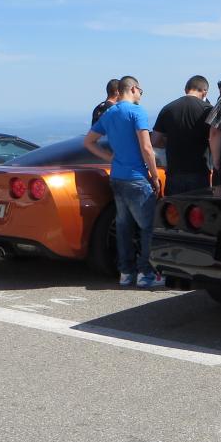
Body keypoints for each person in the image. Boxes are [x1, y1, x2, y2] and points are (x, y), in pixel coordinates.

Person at [84, 76, 164, 288]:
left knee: (123, 226)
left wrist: (109, 158)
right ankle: (146, 274)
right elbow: (147, 148)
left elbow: (88, 142)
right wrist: (155, 175)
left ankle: (126, 273)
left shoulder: (110, 113)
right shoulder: (137, 112)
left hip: (117, 176)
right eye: (141, 91)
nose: (140, 95)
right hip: (136, 177)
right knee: (147, 227)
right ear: (134, 89)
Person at [152, 75, 213, 196]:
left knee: (174, 212)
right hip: (199, 172)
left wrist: (169, 142)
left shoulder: (167, 109)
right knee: (198, 211)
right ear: (205, 91)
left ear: (186, 89)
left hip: (174, 172)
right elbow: (214, 138)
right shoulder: (208, 110)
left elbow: (154, 140)